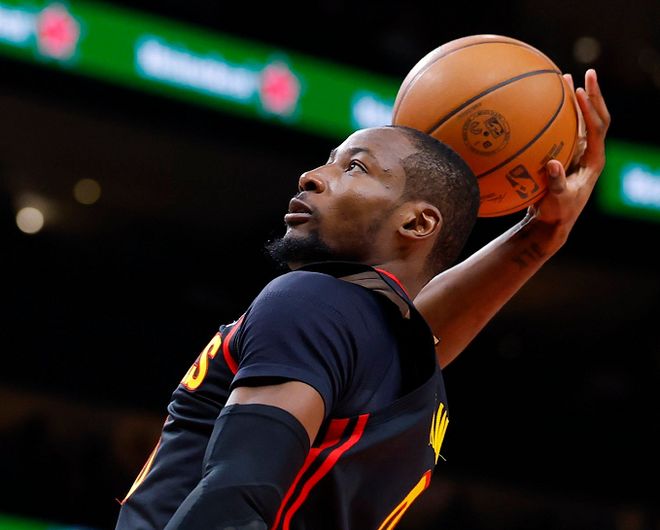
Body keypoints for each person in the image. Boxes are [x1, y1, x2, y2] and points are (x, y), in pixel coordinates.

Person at [114, 69, 609, 530]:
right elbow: (415, 327)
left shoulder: (309, 301)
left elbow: (235, 496)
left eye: (354, 166)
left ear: (417, 222)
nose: (311, 176)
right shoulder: (401, 363)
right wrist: (543, 234)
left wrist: (543, 232)